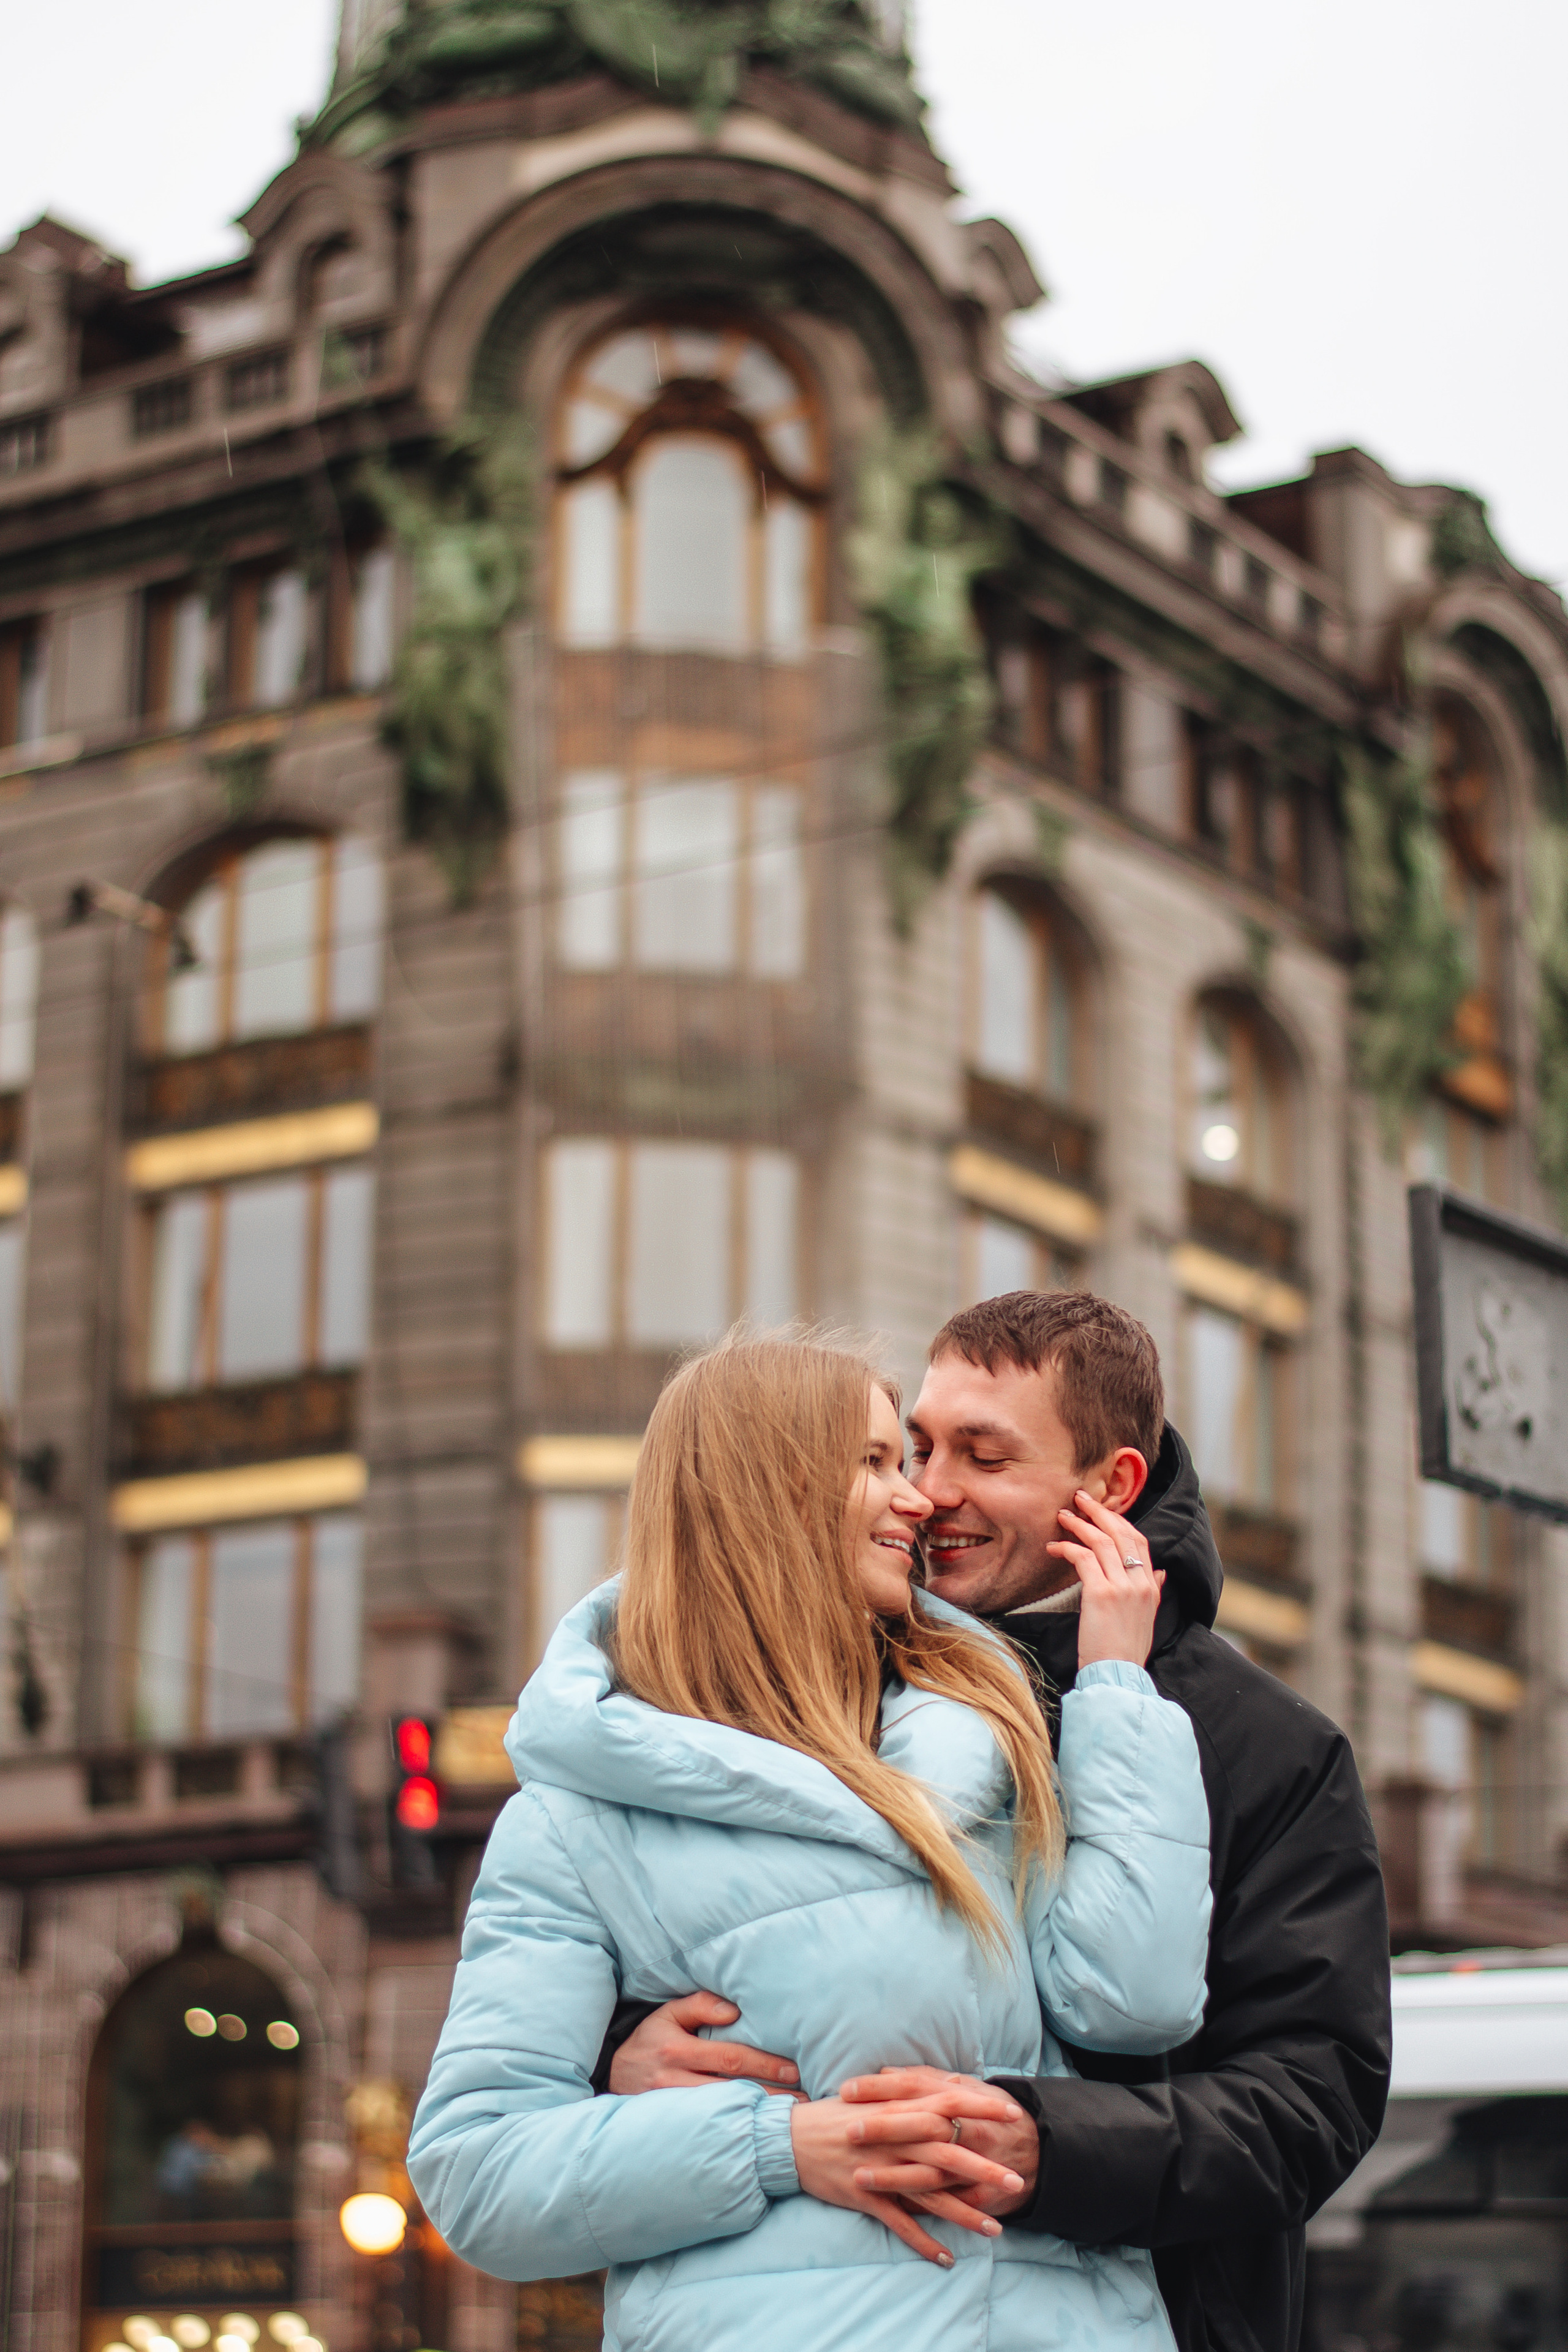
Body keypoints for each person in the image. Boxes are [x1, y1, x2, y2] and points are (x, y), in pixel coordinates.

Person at [603, 1293, 1393, 2352]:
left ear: (1109, 1485)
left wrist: (1052, 2149)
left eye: (984, 1456)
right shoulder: (820, 1680)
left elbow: (1312, 2102)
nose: (929, 1494)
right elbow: (645, 1926)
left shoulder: (1263, 1744)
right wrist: (619, 2052)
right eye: (918, 1446)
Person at [409, 1330, 1213, 2350]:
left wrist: (1115, 1690)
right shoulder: (576, 1818)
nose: (919, 1499)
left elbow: (1134, 1998)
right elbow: (477, 2174)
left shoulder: (990, 1726)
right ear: (766, 1497)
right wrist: (776, 2146)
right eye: (877, 1465)